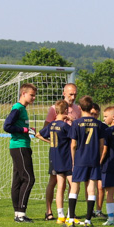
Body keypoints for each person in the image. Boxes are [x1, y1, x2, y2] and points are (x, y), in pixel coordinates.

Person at [64, 96, 106, 227]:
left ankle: (71, 219)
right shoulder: (98, 124)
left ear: (80, 108)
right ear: (91, 107)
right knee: (91, 188)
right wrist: (98, 158)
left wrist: (73, 160)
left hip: (80, 159)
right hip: (93, 159)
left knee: (74, 187)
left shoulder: (76, 123)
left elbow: (73, 144)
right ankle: (88, 220)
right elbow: (101, 144)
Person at [41, 83, 81, 220]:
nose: (73, 97)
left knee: (72, 182)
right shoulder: (54, 109)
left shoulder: (77, 109)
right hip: (58, 153)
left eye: (75, 94)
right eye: (70, 94)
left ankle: (70, 211)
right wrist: (52, 143)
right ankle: (49, 211)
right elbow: (45, 129)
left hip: (71, 152)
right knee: (54, 182)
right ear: (64, 93)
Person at [2, 83, 37, 223]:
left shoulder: (22, 109)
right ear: (23, 94)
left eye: (35, 95)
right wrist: (24, 130)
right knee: (29, 179)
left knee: (17, 180)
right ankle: (21, 213)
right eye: (32, 95)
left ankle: (18, 213)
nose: (34, 98)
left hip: (21, 146)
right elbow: (7, 126)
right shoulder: (17, 108)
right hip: (19, 147)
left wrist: (28, 129)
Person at [35, 99, 73, 223]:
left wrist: (50, 142)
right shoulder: (65, 126)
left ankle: (60, 214)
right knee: (72, 185)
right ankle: (70, 214)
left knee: (60, 186)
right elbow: (75, 138)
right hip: (66, 158)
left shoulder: (51, 125)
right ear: (66, 111)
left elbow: (38, 135)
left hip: (54, 157)